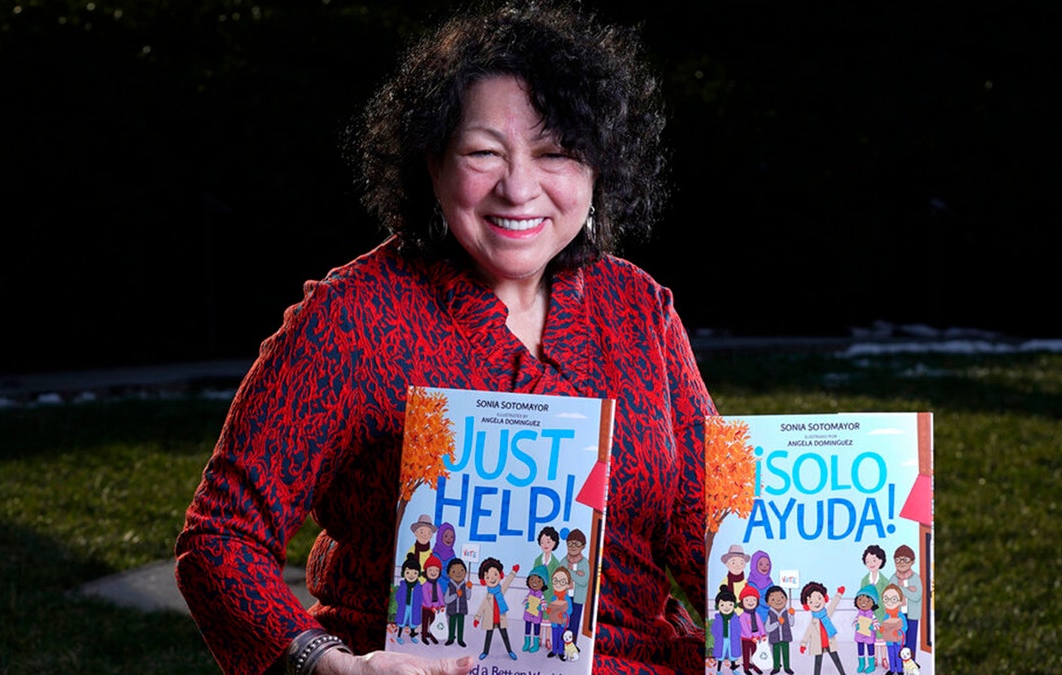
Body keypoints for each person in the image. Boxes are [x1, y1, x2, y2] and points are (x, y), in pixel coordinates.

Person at [172, 1, 715, 673]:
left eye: (555, 153)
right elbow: (221, 536)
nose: (518, 188)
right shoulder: (353, 317)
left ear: (597, 171)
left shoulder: (638, 307)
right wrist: (325, 662)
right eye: (484, 152)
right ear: (432, 164)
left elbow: (705, 523)